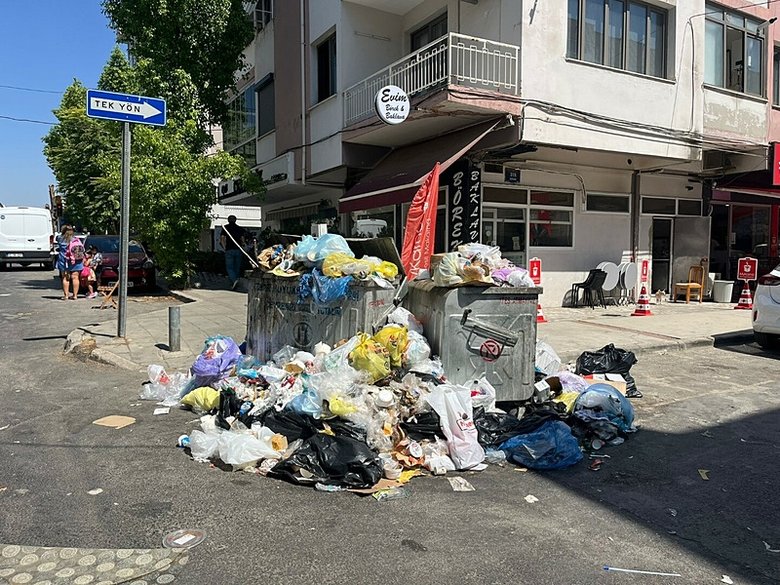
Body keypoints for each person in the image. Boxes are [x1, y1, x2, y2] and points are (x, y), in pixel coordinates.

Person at [57, 225, 84, 299]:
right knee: (75, 278)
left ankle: (66, 295)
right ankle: (75, 295)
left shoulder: (60, 239)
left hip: (64, 260)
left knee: (65, 278)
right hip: (76, 260)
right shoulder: (76, 239)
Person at [220, 215, 246, 290]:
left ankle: (234, 280)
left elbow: (222, 239)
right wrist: (243, 246)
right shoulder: (239, 228)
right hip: (238, 249)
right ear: (235, 220)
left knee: (230, 267)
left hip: (229, 249)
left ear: (228, 220)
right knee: (237, 266)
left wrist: (224, 247)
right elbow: (242, 239)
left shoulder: (225, 228)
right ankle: (236, 280)